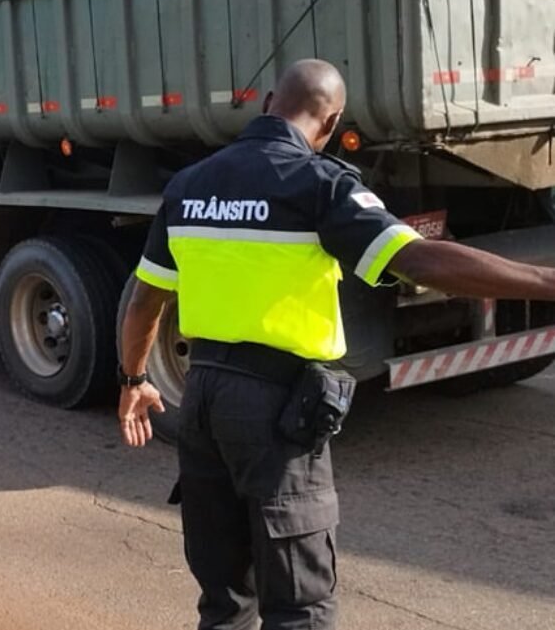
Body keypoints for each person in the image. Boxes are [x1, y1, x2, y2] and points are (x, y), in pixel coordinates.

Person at [119, 58, 555, 630]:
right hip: (275, 411)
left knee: (224, 599)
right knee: (300, 604)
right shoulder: (317, 183)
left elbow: (147, 298)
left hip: (203, 401)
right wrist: (547, 283)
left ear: (269, 100)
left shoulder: (189, 185)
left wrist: (134, 380)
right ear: (331, 123)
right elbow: (417, 259)